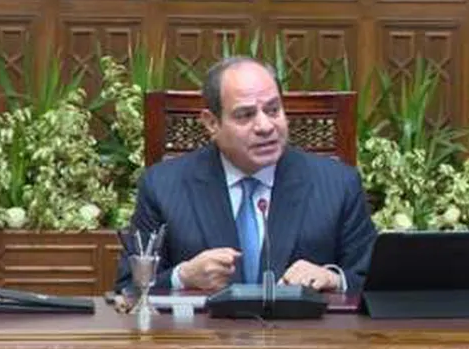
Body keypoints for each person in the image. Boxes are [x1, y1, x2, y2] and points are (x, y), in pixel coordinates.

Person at [115, 56, 377, 294]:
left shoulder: (338, 184)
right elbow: (128, 288)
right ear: (212, 123)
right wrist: (182, 277)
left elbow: (374, 283)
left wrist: (334, 279)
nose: (265, 126)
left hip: (302, 331)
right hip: (206, 332)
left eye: (273, 110)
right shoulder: (163, 186)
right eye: (245, 115)